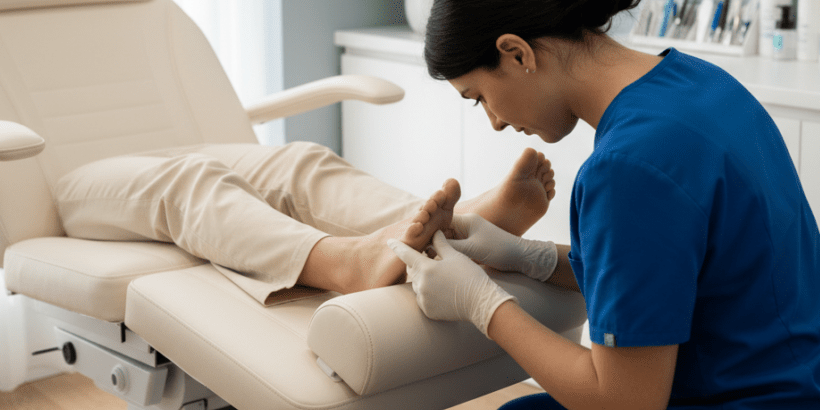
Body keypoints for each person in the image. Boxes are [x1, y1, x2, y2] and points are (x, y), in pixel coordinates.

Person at [388, 0, 820, 410]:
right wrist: (526, 256)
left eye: (478, 97)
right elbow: (679, 274)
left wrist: (478, 300)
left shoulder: (628, 166)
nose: (494, 120)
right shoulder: (698, 84)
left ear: (516, 53)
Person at [55, 139, 554, 303]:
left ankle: (461, 228)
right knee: (192, 180)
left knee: (300, 162)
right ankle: (345, 264)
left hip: (167, 147)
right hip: (75, 182)